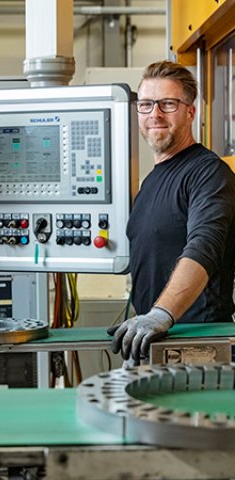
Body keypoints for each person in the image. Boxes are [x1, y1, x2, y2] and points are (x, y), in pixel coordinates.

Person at [108, 60, 235, 363]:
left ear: (190, 112)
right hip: (155, 342)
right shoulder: (151, 182)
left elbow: (203, 247)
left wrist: (160, 314)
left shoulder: (208, 173)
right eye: (146, 104)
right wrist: (143, 325)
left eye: (168, 104)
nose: (155, 114)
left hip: (199, 348)